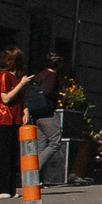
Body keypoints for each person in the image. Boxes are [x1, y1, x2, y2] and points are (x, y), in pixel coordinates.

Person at [0, 46, 31, 197]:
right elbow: (5, 98)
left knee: (10, 154)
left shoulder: (14, 77)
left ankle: (6, 189)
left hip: (12, 118)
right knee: (4, 154)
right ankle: (1, 189)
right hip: (4, 118)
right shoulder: (4, 76)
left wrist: (25, 110)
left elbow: (20, 98)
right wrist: (21, 85)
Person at [26, 51, 67, 187]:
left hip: (36, 113)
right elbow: (48, 92)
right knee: (55, 142)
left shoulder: (39, 74)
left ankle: (36, 180)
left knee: (41, 145)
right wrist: (59, 95)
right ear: (59, 65)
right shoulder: (52, 75)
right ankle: (34, 169)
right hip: (47, 113)